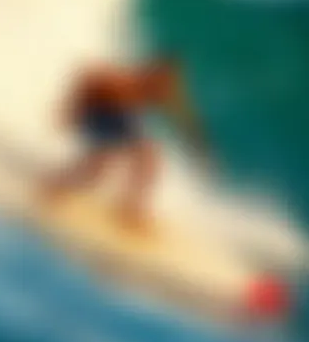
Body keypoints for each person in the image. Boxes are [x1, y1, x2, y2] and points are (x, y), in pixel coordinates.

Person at [39, 56, 209, 231]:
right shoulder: (123, 82)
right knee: (96, 169)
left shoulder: (164, 91)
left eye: (169, 82)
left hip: (120, 117)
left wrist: (200, 149)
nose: (165, 87)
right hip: (96, 113)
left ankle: (129, 209)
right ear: (150, 76)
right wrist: (68, 110)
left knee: (148, 159)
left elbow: (184, 119)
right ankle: (54, 187)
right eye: (161, 81)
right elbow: (90, 77)